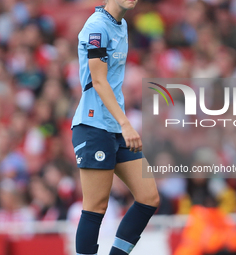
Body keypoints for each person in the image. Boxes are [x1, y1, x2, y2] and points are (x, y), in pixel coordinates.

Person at [71, 0, 160, 254]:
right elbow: (98, 81)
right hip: (94, 125)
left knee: (148, 198)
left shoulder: (121, 25)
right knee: (95, 207)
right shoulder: (97, 27)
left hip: (115, 127)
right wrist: (125, 123)